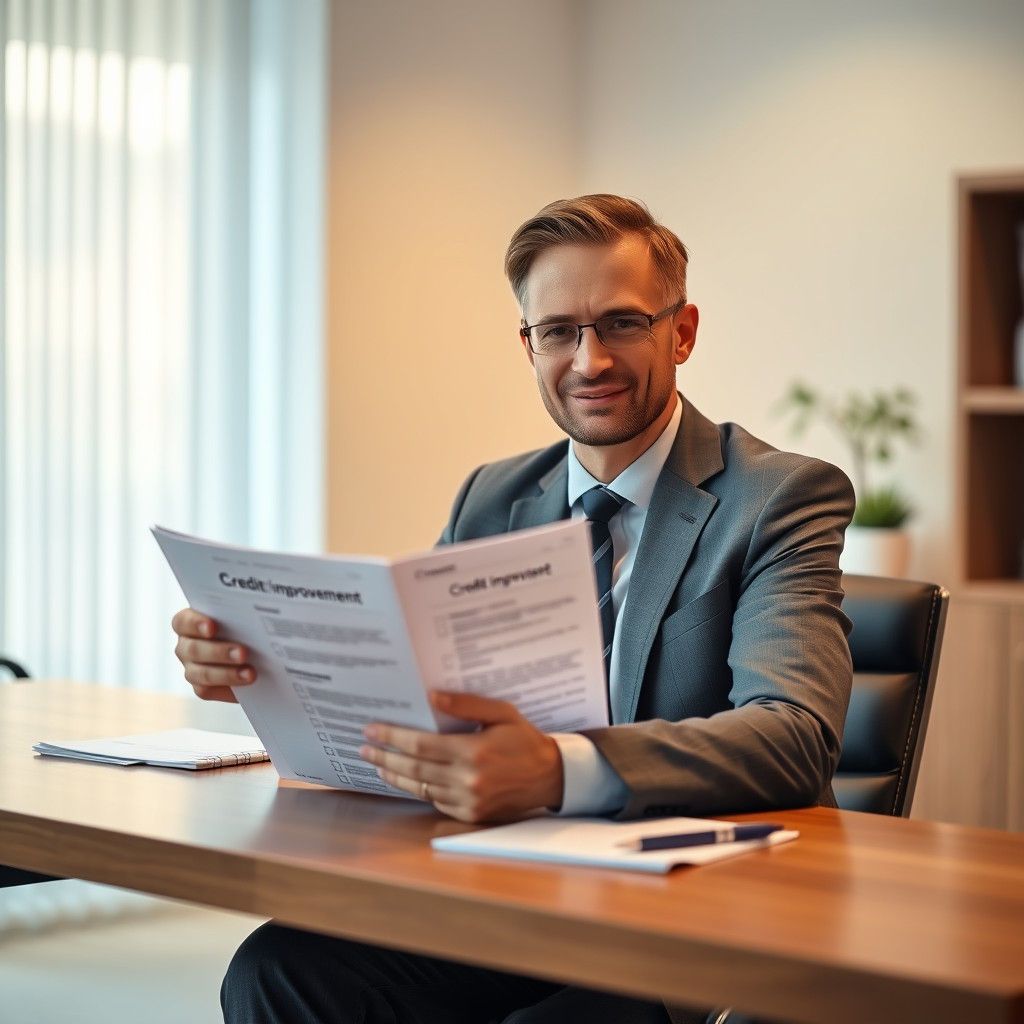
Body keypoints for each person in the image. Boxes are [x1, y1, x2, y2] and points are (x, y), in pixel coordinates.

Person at [172, 195, 855, 1024]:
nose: (589, 360)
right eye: (559, 331)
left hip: (681, 909)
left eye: (622, 323)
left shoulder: (777, 496)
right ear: (529, 346)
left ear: (681, 332)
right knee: (280, 970)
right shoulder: (492, 497)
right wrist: (265, 666)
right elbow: (411, 682)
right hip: (504, 883)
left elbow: (794, 735)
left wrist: (559, 768)